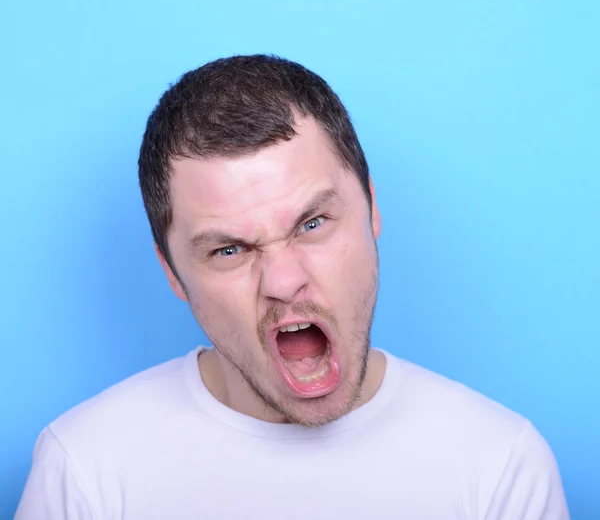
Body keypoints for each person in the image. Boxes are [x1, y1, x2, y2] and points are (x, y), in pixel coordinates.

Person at [16, 55, 569, 519]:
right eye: (228, 250)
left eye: (312, 224)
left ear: (372, 209)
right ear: (172, 273)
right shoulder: (83, 470)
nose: (283, 282)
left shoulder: (502, 466)